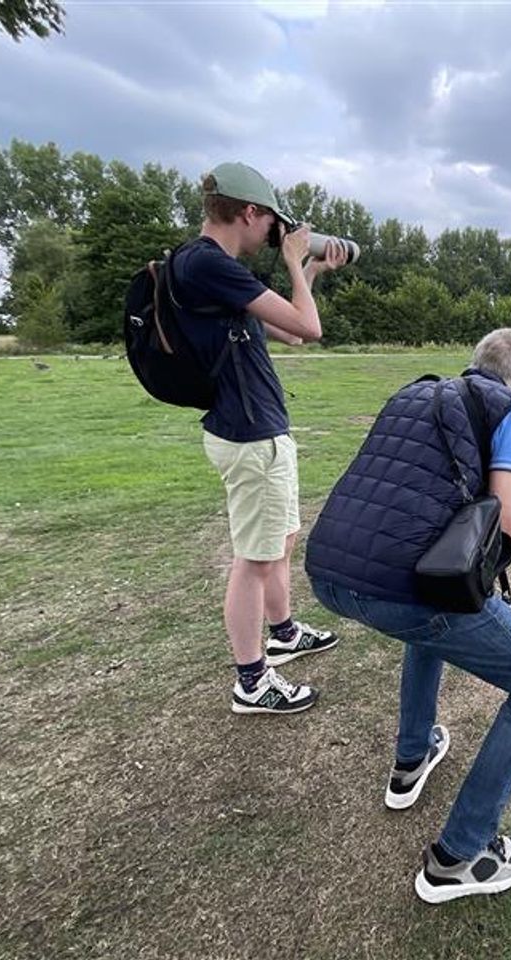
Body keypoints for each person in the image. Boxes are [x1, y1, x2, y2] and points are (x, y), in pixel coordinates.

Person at [305, 328, 511, 904]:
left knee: (429, 628)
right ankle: (461, 855)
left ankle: (413, 755)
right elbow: (510, 528)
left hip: (331, 573)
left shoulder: (413, 392)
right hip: (402, 589)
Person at [175, 161, 348, 715]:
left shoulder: (209, 270)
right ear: (248, 212)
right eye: (271, 221)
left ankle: (284, 633)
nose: (273, 233)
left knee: (278, 542)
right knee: (252, 559)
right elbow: (312, 330)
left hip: (258, 430)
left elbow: (292, 332)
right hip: (249, 436)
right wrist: (295, 261)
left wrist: (310, 272)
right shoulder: (208, 264)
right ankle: (252, 680)